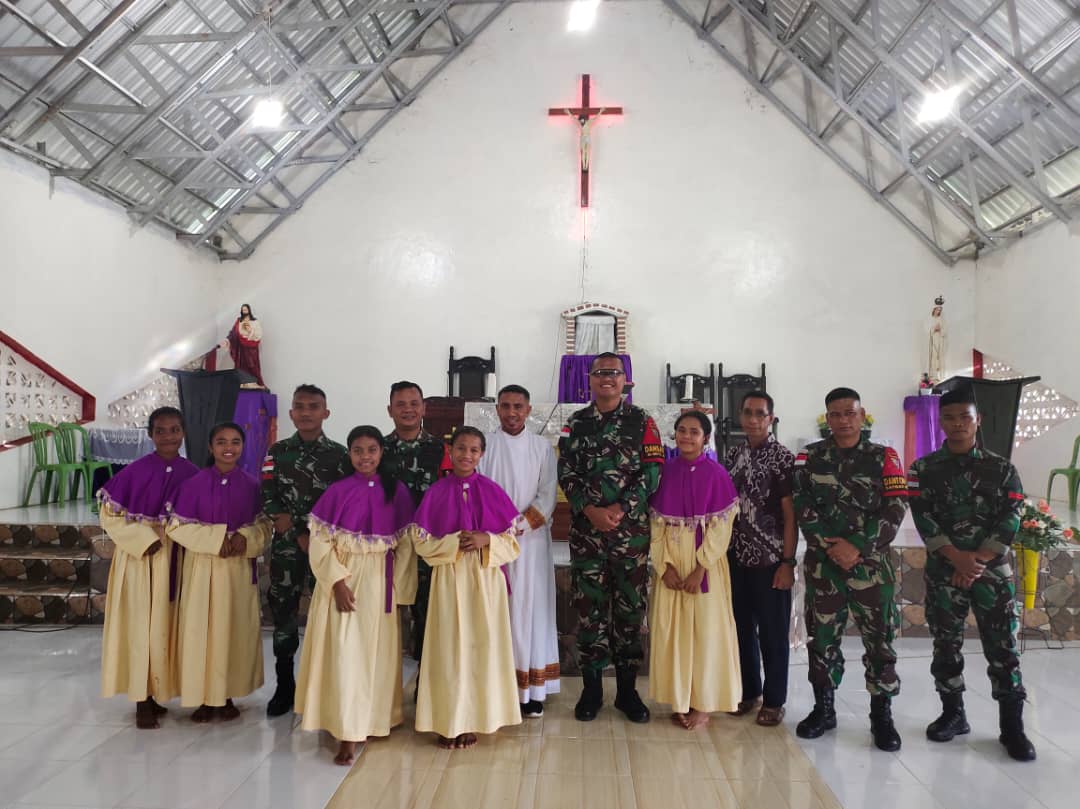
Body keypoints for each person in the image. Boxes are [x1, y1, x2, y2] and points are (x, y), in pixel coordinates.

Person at [908, 388, 1036, 761]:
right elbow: (923, 518)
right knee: (945, 644)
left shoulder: (1002, 469)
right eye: (949, 418)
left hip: (991, 573)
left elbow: (1012, 516)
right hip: (945, 572)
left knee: (1003, 648)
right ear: (940, 422)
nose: (958, 424)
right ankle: (953, 714)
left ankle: (1012, 728)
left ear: (978, 420)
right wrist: (956, 558)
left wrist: (976, 560)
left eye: (965, 417)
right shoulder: (923, 470)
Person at [794, 387, 909, 751]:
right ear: (827, 419)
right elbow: (801, 504)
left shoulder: (883, 456)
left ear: (861, 415)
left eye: (850, 413)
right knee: (822, 639)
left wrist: (857, 546)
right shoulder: (810, 457)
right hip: (824, 568)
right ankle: (824, 709)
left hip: (871, 568)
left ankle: (881, 716)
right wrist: (831, 547)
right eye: (836, 414)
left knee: (880, 642)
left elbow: (896, 507)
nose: (843, 420)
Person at [294, 425, 417, 766]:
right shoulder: (337, 491)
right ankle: (346, 730)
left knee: (376, 654)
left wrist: (400, 591)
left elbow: (406, 546)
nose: (365, 457)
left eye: (372, 450)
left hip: (381, 583)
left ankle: (374, 719)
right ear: (349, 454)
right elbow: (320, 542)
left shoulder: (397, 491)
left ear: (381, 453)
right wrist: (336, 582)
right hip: (344, 580)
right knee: (346, 654)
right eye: (358, 450)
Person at [557, 352, 664, 723]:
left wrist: (620, 509)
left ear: (624, 380)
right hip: (587, 536)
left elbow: (653, 471)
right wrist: (589, 509)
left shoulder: (642, 421)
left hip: (629, 537)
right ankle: (591, 691)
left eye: (614, 373)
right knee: (590, 612)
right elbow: (566, 471)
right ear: (590, 379)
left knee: (629, 612)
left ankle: (627, 692)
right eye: (601, 372)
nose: (607, 378)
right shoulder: (576, 423)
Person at [412, 427, 521, 749]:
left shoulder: (492, 490)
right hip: (449, 578)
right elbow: (420, 542)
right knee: (448, 648)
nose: (466, 455)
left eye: (474, 450)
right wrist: (452, 544)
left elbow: (512, 544)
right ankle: (448, 720)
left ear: (481, 454)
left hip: (485, 580)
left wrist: (487, 539)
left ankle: (477, 718)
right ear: (451, 450)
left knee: (481, 646)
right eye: (461, 448)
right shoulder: (436, 492)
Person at [98, 406, 199, 729]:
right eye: (160, 431)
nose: (168, 436)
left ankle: (159, 690)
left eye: (174, 430)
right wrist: (143, 539)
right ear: (150, 434)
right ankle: (141, 698)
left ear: (183, 433)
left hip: (178, 556)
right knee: (142, 626)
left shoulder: (192, 473)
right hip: (141, 559)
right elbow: (109, 514)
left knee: (167, 626)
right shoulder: (135, 471)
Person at [167, 422, 271, 722]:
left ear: (243, 447)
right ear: (211, 447)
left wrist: (245, 537)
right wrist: (215, 540)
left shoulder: (252, 485)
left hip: (237, 570)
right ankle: (202, 697)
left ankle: (225, 695)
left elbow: (264, 525)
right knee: (200, 631)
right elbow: (176, 526)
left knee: (232, 632)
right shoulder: (193, 485)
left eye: (235, 442)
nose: (229, 448)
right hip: (202, 568)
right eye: (222, 442)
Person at [262, 384, 351, 717]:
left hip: (325, 548)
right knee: (284, 614)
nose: (306, 412)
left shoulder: (340, 456)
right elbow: (267, 494)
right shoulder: (277, 452)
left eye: (314, 407)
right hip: (287, 548)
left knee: (328, 613)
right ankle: (285, 686)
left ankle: (325, 686)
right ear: (291, 413)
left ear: (326, 413)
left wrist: (313, 534)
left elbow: (344, 501)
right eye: (300, 406)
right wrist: (293, 529)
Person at [649, 410, 740, 730]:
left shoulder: (716, 474)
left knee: (706, 634)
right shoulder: (665, 472)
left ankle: (704, 703)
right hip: (673, 563)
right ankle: (681, 697)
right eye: (682, 430)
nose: (686, 436)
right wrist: (664, 566)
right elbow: (656, 524)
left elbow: (722, 527)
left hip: (705, 565)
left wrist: (701, 568)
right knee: (673, 633)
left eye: (694, 432)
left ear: (706, 438)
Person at [477, 384, 560, 717]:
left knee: (530, 611)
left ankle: (532, 691)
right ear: (497, 409)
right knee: (499, 611)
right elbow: (478, 489)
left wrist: (517, 526)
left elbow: (547, 494)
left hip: (529, 543)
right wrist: (496, 530)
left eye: (518, 406)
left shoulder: (542, 448)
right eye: (505, 406)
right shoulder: (484, 445)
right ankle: (498, 689)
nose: (511, 412)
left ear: (528, 410)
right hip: (492, 543)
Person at [723, 390, 797, 726]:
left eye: (760, 414)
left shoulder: (783, 458)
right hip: (737, 558)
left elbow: (790, 515)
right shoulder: (733, 454)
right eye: (748, 413)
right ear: (740, 416)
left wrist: (788, 562)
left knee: (772, 634)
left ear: (771, 419)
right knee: (741, 630)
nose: (753, 420)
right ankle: (749, 691)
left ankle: (775, 699)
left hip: (770, 561)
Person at [381, 381, 450, 667]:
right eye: (401, 404)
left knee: (428, 615)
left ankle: (425, 681)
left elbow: (449, 494)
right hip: (389, 547)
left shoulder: (440, 448)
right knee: (385, 616)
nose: (407, 410)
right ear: (390, 410)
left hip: (428, 546)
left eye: (413, 404)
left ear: (424, 408)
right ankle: (385, 681)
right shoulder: (377, 449)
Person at [222, 303, 264, 387]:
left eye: (245, 309)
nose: (244, 311)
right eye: (243, 310)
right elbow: (233, 332)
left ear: (249, 310)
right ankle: (243, 382)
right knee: (241, 364)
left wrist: (250, 331)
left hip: (251, 347)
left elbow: (259, 333)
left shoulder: (255, 321)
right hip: (241, 347)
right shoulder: (239, 321)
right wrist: (227, 339)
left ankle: (253, 382)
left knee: (252, 364)